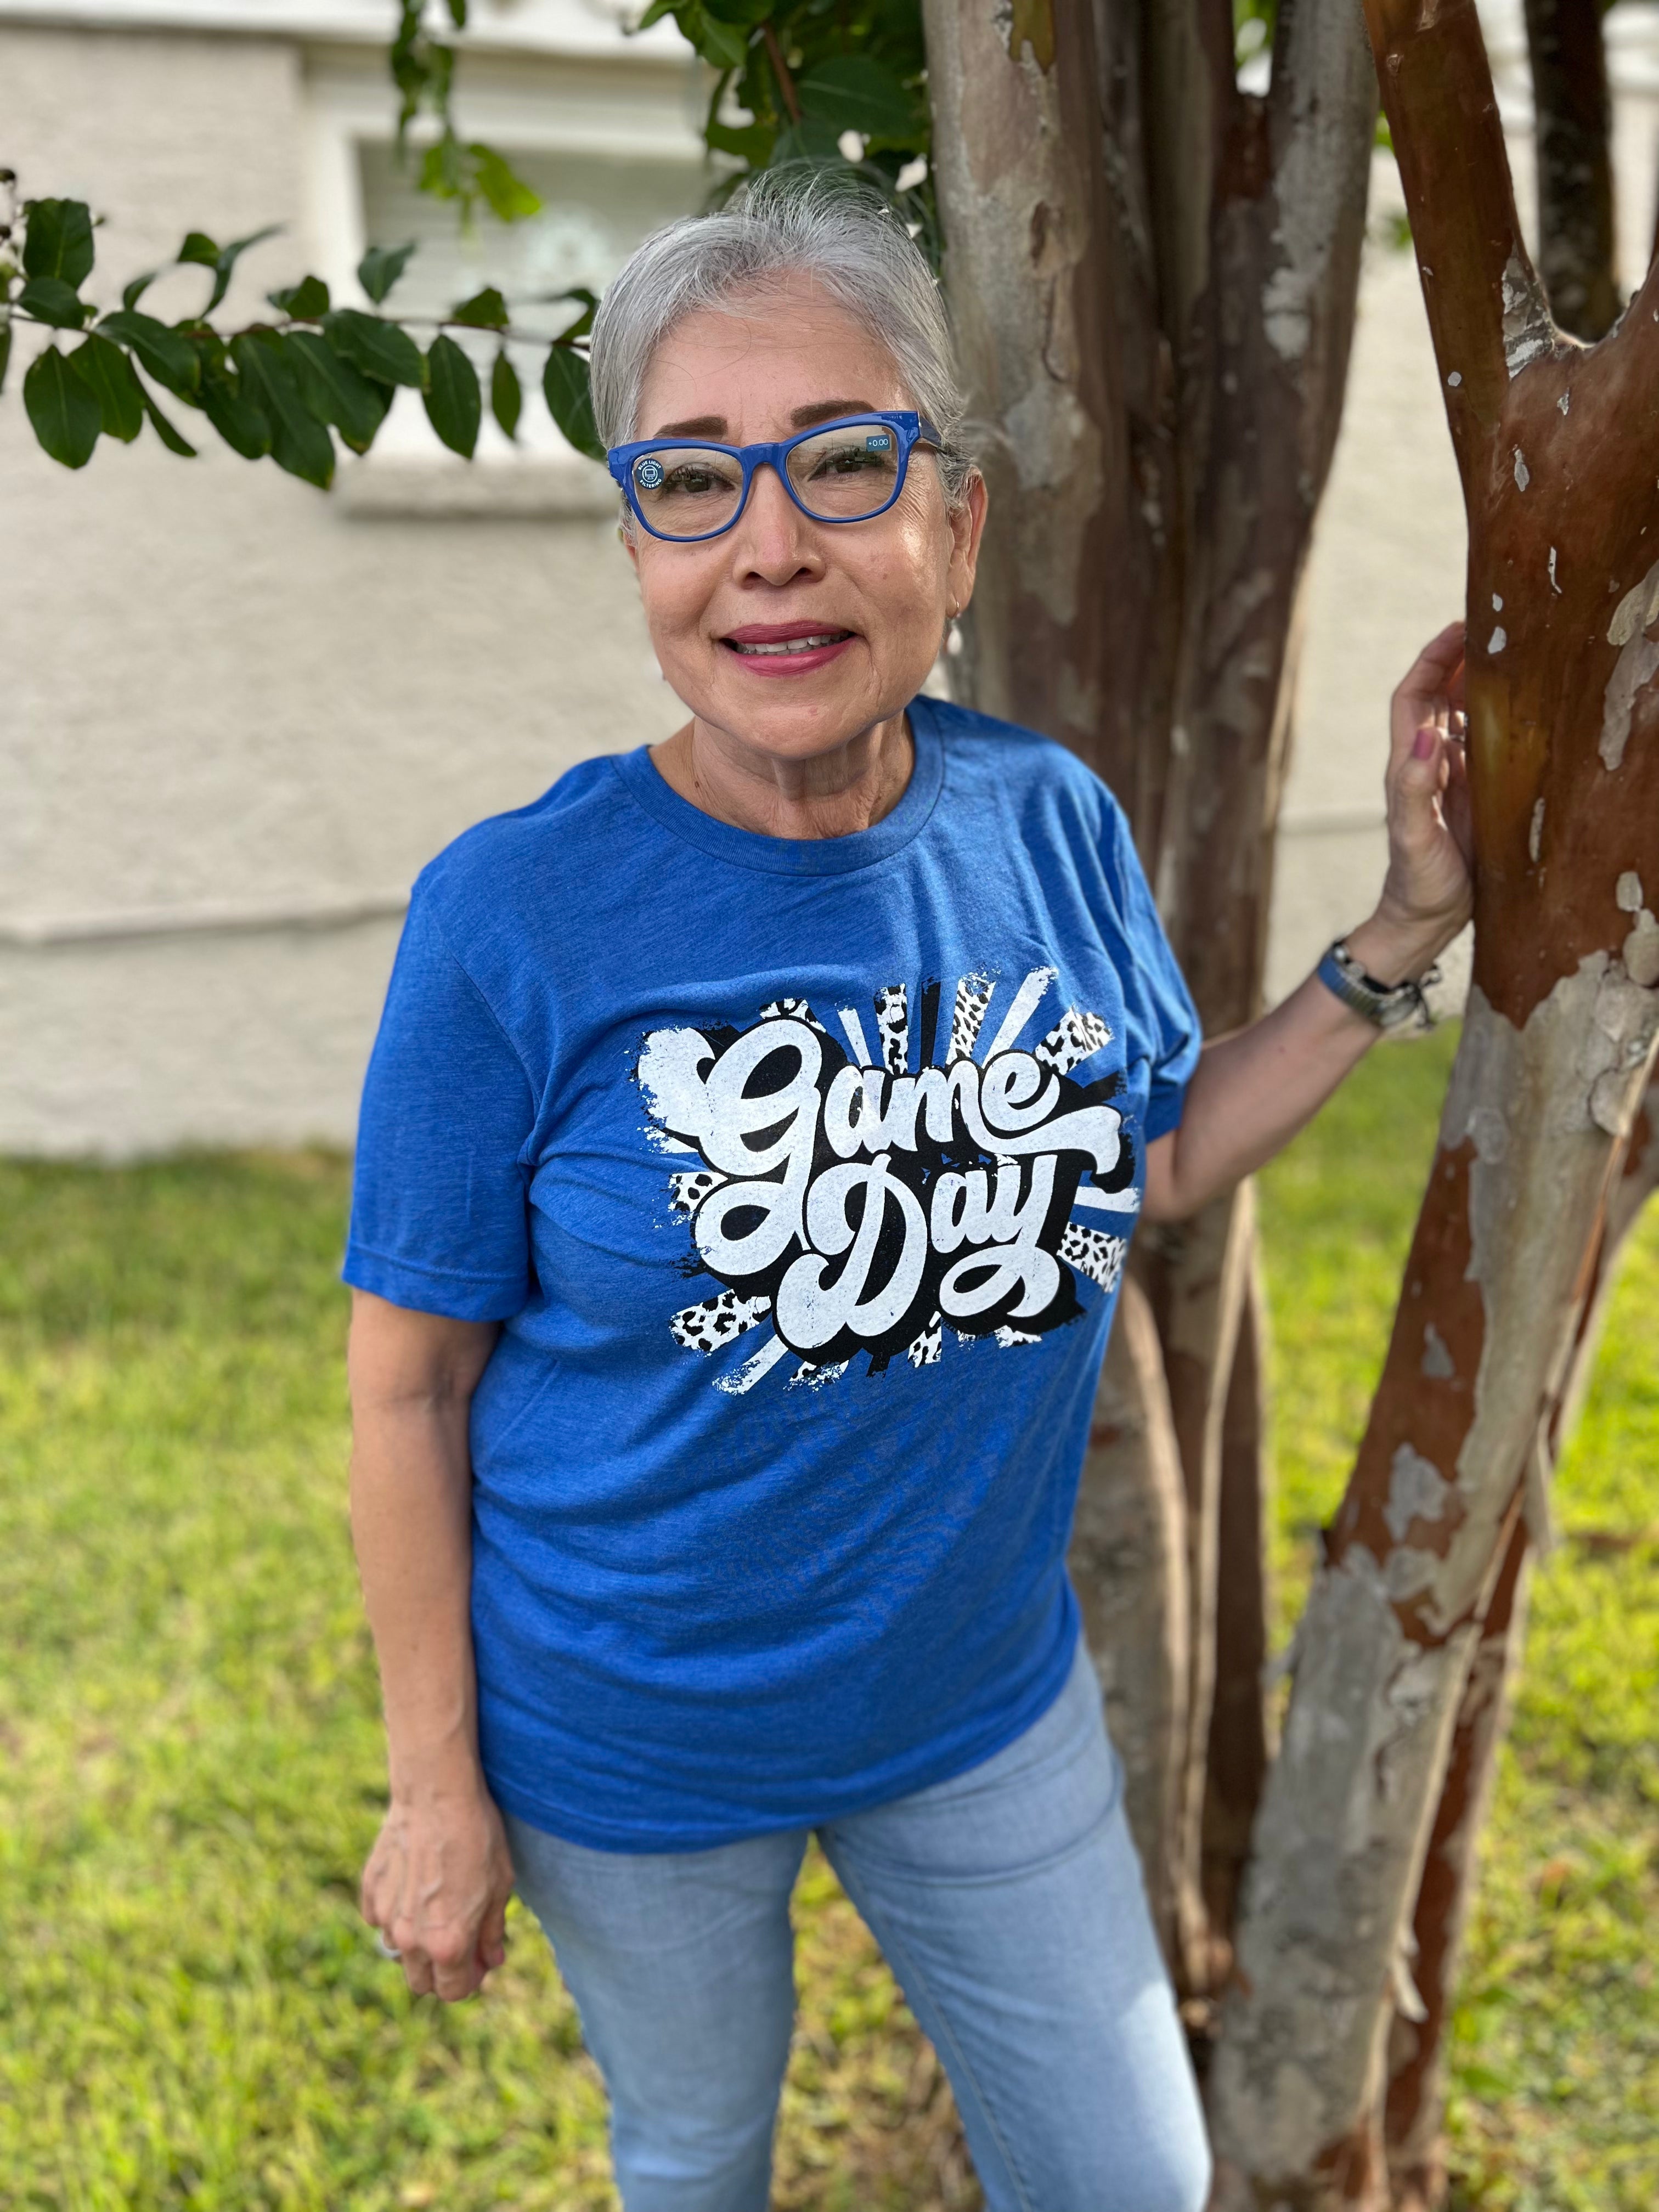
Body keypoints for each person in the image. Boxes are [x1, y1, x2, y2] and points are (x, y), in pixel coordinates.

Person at [343, 176, 1472, 2212]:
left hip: (978, 1705)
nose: (769, 544)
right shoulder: (511, 918)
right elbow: (407, 1389)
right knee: (697, 2153)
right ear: (637, 548)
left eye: (842, 461)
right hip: (629, 1740)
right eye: (694, 480)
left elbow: (1149, 1157)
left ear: (954, 524)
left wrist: (1399, 930)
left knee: (1131, 2180)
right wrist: (437, 1792)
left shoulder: (1047, 825)